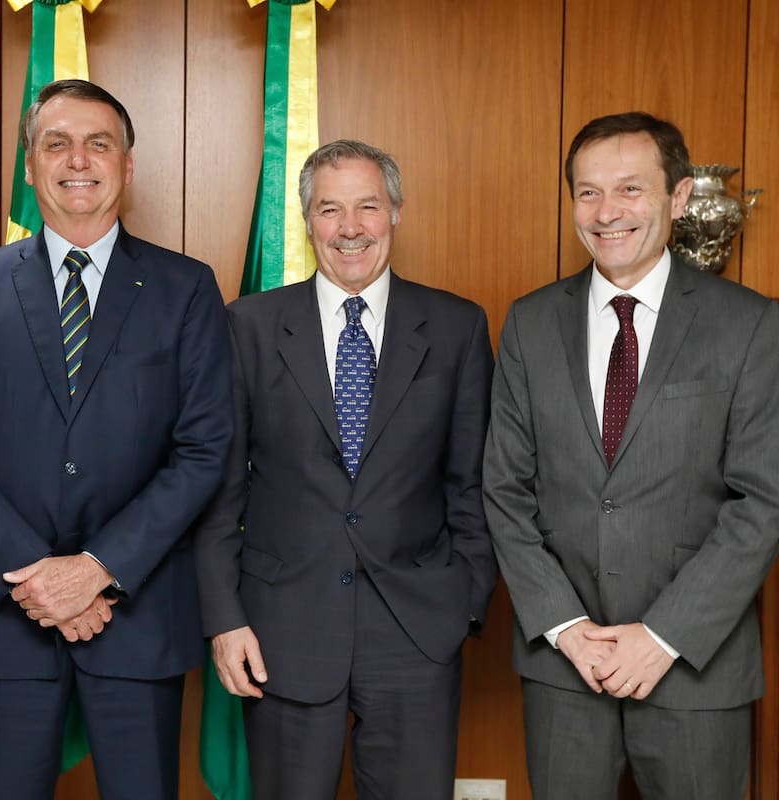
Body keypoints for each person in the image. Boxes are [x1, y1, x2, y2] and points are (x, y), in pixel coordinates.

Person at [0, 79, 233, 800]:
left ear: (126, 165)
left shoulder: (186, 289)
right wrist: (40, 578)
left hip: (138, 617)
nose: (77, 160)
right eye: (55, 143)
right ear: (29, 167)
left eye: (99, 144)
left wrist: (97, 568)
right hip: (11, 624)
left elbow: (204, 448)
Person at [483, 111, 779, 798]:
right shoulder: (529, 322)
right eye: (587, 192)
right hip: (564, 669)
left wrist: (664, 635)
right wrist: (566, 627)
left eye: (629, 190)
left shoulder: (750, 324)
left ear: (677, 198)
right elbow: (504, 488)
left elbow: (763, 499)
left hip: (695, 666)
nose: (606, 212)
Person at [194, 139, 498, 800]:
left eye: (368, 206)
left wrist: (464, 606)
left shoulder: (457, 328)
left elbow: (472, 485)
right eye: (331, 210)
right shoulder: (247, 325)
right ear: (308, 223)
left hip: (418, 634)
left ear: (396, 213)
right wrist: (224, 618)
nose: (350, 227)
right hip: (279, 631)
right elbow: (219, 490)